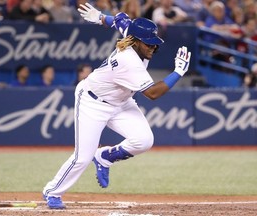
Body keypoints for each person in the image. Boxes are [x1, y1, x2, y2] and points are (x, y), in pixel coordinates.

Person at [43, 2, 191, 209]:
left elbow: (120, 22)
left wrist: (101, 17)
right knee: (82, 157)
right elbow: (152, 94)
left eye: (154, 43)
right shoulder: (128, 59)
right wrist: (178, 73)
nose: (153, 47)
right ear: (136, 42)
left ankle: (105, 157)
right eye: (149, 43)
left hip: (121, 101)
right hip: (92, 102)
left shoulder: (132, 36)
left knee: (144, 140)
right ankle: (52, 191)